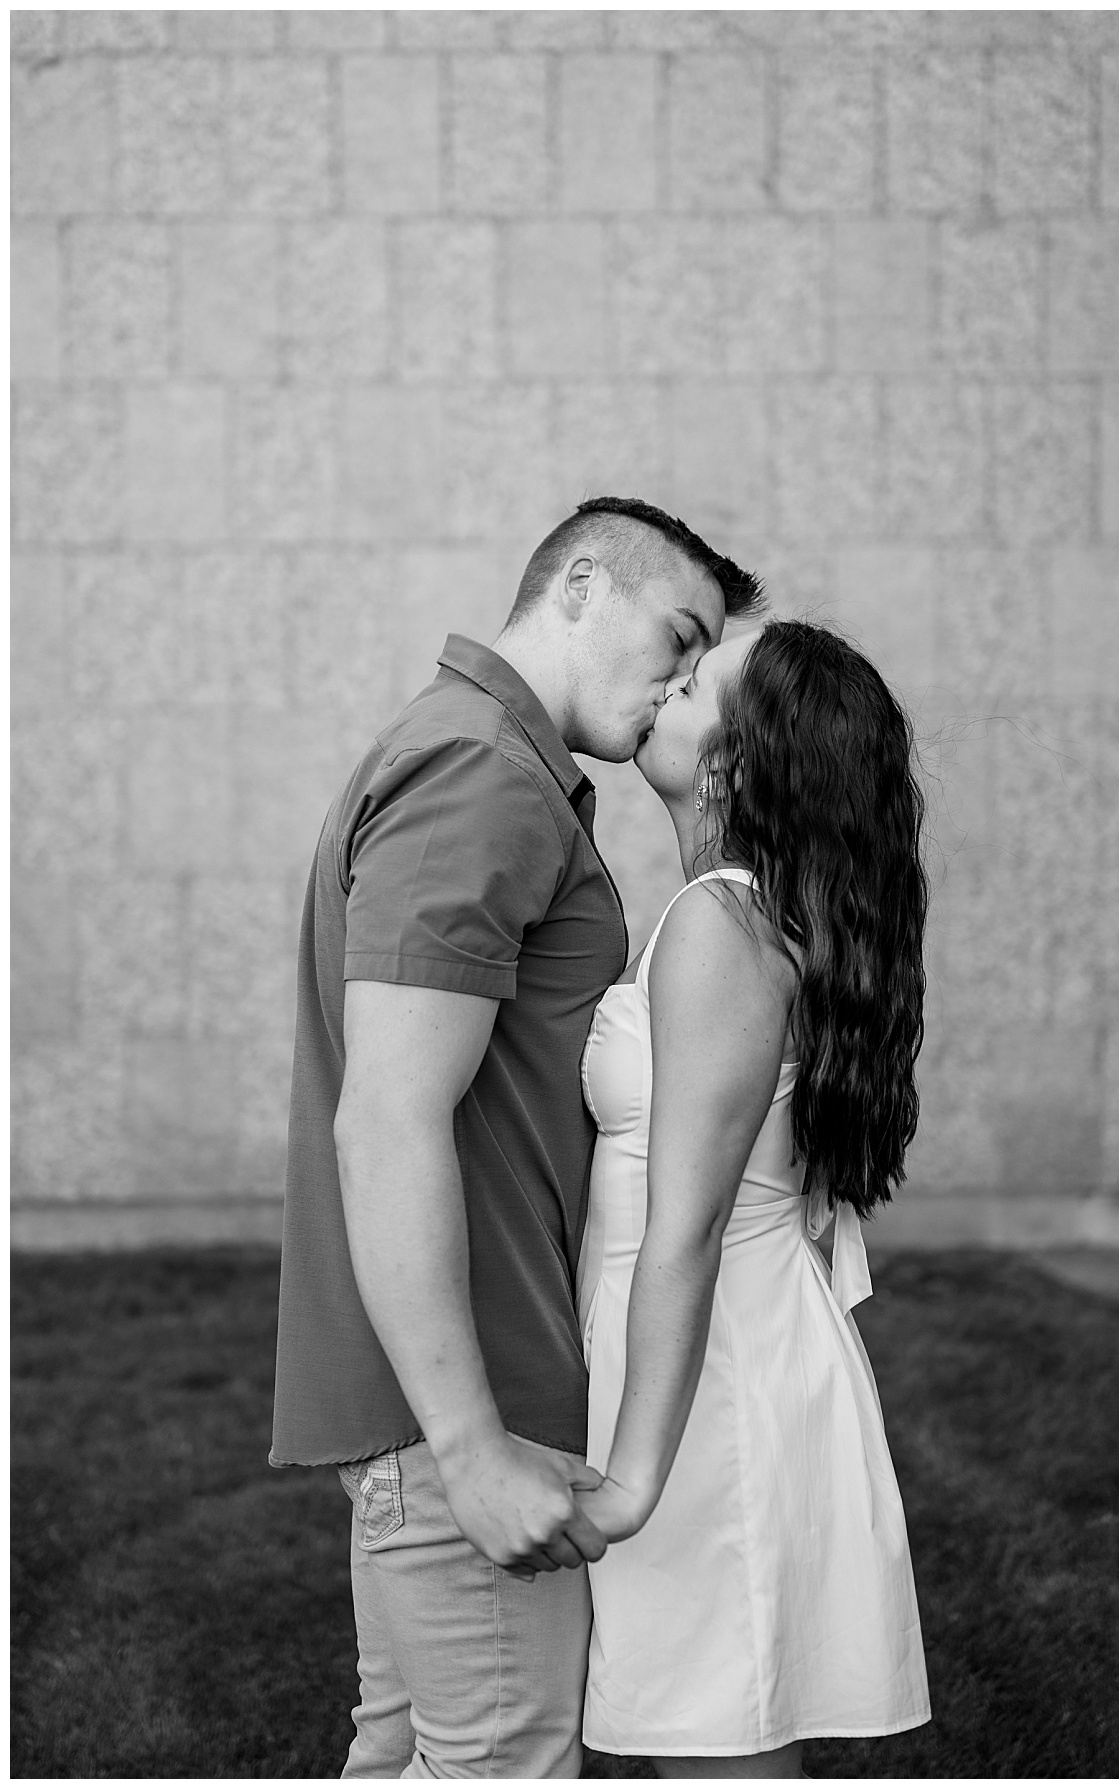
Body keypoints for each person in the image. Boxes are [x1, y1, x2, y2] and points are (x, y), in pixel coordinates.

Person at [269, 496, 764, 1778]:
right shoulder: (483, 772)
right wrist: (472, 1445)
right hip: (468, 1405)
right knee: (503, 1759)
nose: (679, 684)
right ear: (583, 585)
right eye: (680, 636)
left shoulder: (496, 763)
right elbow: (386, 1115)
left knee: (411, 1756)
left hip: (446, 1399)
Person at [574, 619, 933, 1776]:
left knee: (719, 1754)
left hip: (706, 1384)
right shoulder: (745, 912)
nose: (663, 681)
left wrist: (634, 1476)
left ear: (741, 757)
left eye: (692, 681)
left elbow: (687, 1229)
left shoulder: (721, 922)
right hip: (726, 1357)